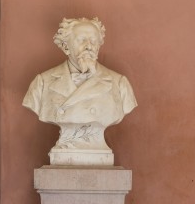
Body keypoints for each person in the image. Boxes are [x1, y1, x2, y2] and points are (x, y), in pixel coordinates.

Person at [23, 17, 137, 162]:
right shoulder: (42, 82)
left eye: (94, 41)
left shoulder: (119, 83)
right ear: (65, 47)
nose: (89, 46)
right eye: (82, 40)